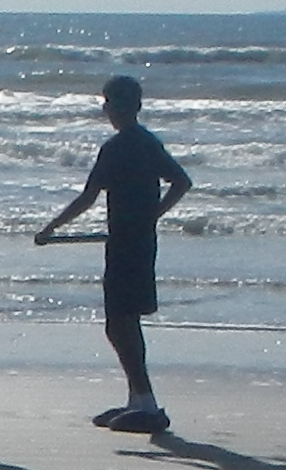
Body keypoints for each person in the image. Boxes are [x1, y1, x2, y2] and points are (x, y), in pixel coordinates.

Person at [33, 72, 187, 434]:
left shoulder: (118, 147)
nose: (107, 109)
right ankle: (137, 398)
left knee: (120, 322)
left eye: (110, 102)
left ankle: (145, 400)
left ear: (125, 106)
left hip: (127, 244)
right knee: (122, 321)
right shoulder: (147, 142)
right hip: (135, 240)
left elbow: (88, 198)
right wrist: (152, 216)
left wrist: (51, 228)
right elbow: (180, 182)